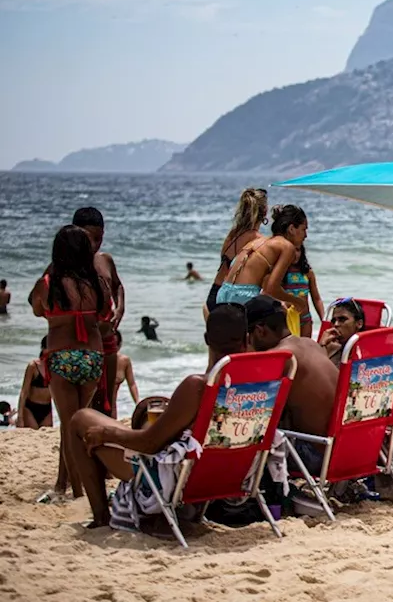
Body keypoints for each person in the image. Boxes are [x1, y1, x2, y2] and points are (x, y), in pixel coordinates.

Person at [65, 303, 250, 528]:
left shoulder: (198, 386)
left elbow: (149, 443)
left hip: (174, 479)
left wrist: (106, 434)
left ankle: (102, 518)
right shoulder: (255, 384)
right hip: (227, 475)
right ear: (246, 340)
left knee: (80, 420)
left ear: (206, 339)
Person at [28, 225, 113, 495]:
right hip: (92, 358)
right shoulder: (97, 284)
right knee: (78, 422)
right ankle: (75, 487)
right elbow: (105, 314)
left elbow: (36, 308)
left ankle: (77, 491)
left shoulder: (49, 285)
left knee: (69, 425)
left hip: (62, 356)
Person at [243, 296, 337, 451]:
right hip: (343, 447)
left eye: (248, 337)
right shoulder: (311, 344)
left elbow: (250, 409)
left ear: (259, 331)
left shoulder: (280, 357)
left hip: (315, 452)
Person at [72, 207, 125, 419]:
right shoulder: (67, 264)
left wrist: (120, 308)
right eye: (90, 238)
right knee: (83, 404)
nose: (95, 244)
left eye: (99, 238)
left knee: (107, 399)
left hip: (107, 339)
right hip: (81, 343)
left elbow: (118, 286)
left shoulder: (105, 260)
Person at [216, 205, 309, 312]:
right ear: (291, 229)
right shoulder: (287, 247)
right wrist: (297, 301)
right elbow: (271, 288)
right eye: (304, 229)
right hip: (244, 297)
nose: (305, 235)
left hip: (223, 293)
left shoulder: (259, 242)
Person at [205, 187, 268, 314]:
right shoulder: (258, 240)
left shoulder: (232, 235)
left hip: (215, 294)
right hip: (233, 300)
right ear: (265, 211)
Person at [283, 241, 324, 339]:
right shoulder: (281, 273)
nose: (295, 254)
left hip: (305, 318)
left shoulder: (308, 273)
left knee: (305, 349)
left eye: (297, 250)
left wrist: (324, 319)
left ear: (302, 252)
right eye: (291, 251)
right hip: (288, 318)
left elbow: (316, 299)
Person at [17, 338, 54, 428]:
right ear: (43, 348)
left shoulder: (55, 367)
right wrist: (20, 417)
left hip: (47, 408)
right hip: (31, 408)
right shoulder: (33, 366)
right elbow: (24, 391)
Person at [319, 297, 365, 366]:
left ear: (359, 324)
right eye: (333, 321)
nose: (336, 324)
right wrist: (321, 346)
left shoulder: (365, 353)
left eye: (342, 319)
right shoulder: (330, 348)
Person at [112, 332, 140, 413]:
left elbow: (132, 384)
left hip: (113, 408)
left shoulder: (124, 361)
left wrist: (137, 402)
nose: (113, 348)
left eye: (116, 344)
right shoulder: (99, 360)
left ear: (120, 345)